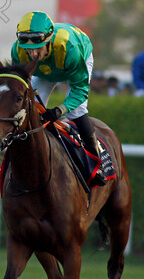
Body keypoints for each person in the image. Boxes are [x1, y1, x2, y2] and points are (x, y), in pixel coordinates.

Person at [11, 11, 106, 185]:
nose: (33, 55)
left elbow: (79, 92)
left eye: (38, 49)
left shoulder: (69, 49)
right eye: (29, 50)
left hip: (76, 58)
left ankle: (95, 162)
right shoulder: (17, 51)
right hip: (45, 70)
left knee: (76, 110)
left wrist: (59, 110)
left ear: (48, 40)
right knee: (27, 107)